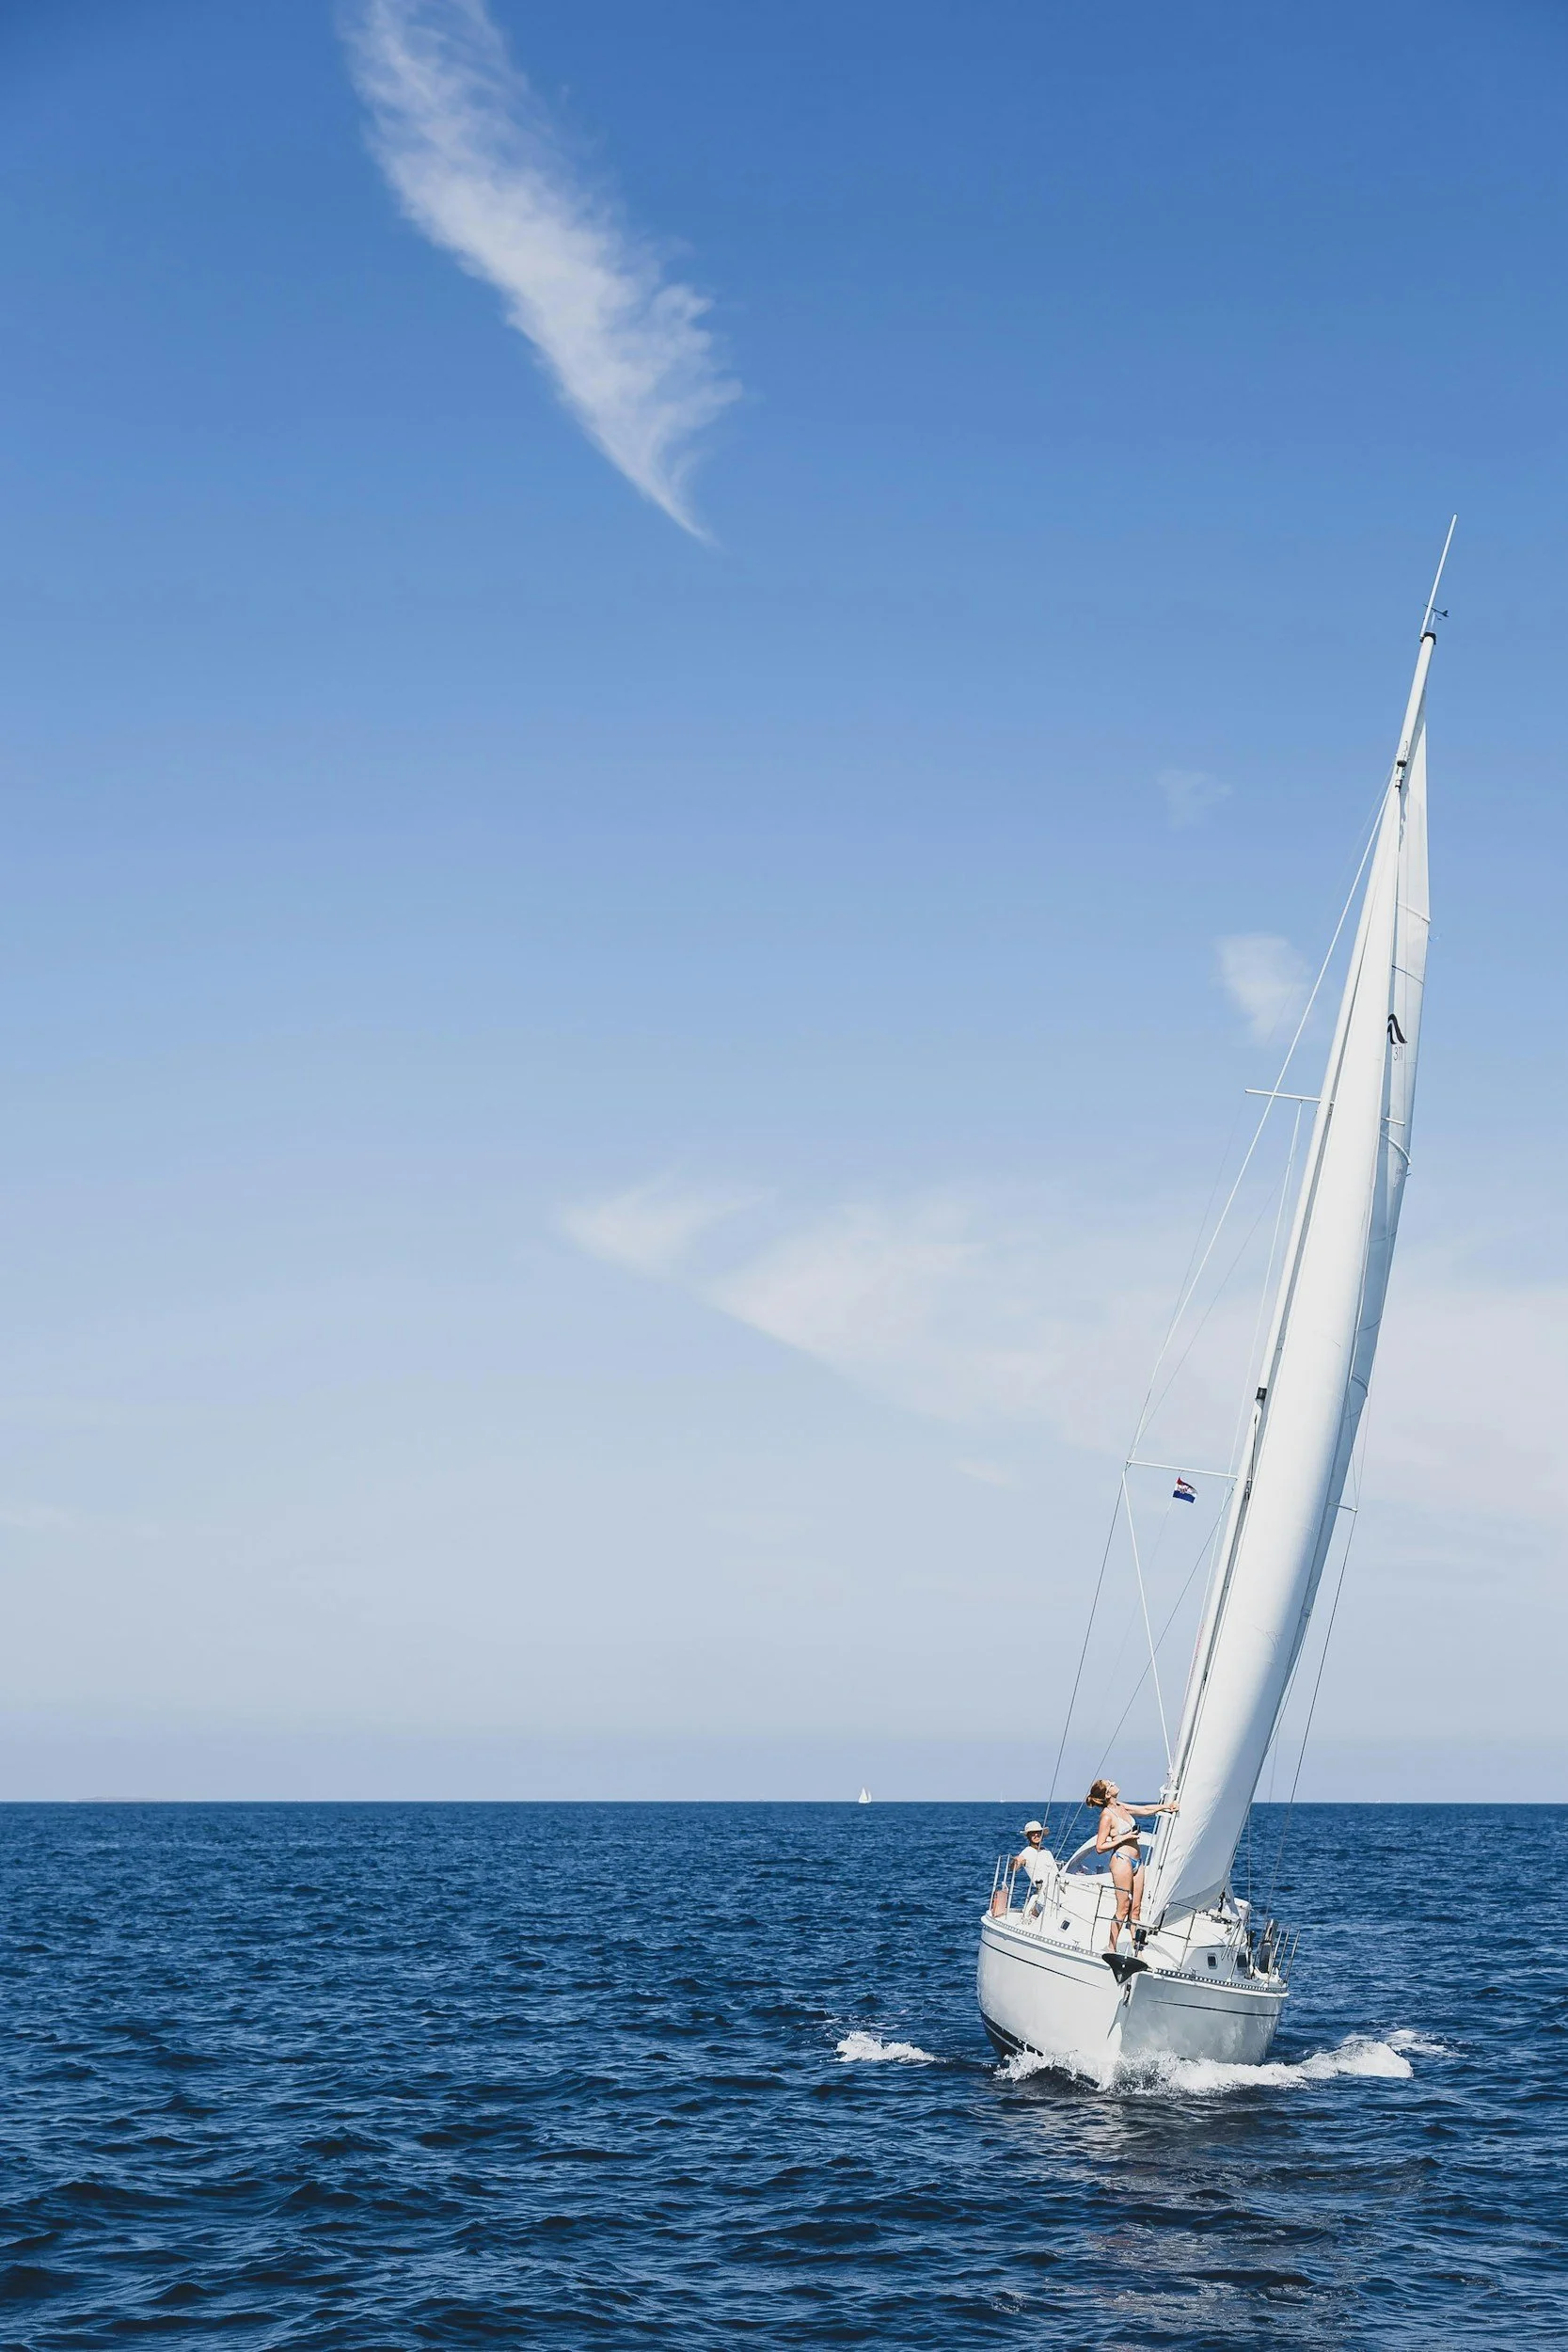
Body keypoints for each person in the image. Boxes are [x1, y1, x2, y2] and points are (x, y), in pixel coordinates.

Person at [1087, 1777, 1178, 1963]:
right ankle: (1111, 1947)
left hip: (1138, 1860)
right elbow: (1099, 1847)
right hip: (1121, 1860)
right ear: (1106, 1794)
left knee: (1136, 1909)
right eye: (1109, 1784)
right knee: (1123, 1907)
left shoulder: (1120, 1806)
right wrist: (1125, 1836)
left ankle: (1137, 1950)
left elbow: (1143, 1810)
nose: (1113, 1783)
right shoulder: (1107, 1815)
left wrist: (1166, 1807)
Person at [1010, 1820, 1054, 1917]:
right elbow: (1013, 1868)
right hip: (1044, 1891)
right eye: (1033, 1833)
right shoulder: (1027, 1852)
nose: (1036, 1835)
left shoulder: (1047, 1852)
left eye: (1038, 1833)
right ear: (1028, 1836)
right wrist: (1016, 1861)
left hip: (1056, 1887)